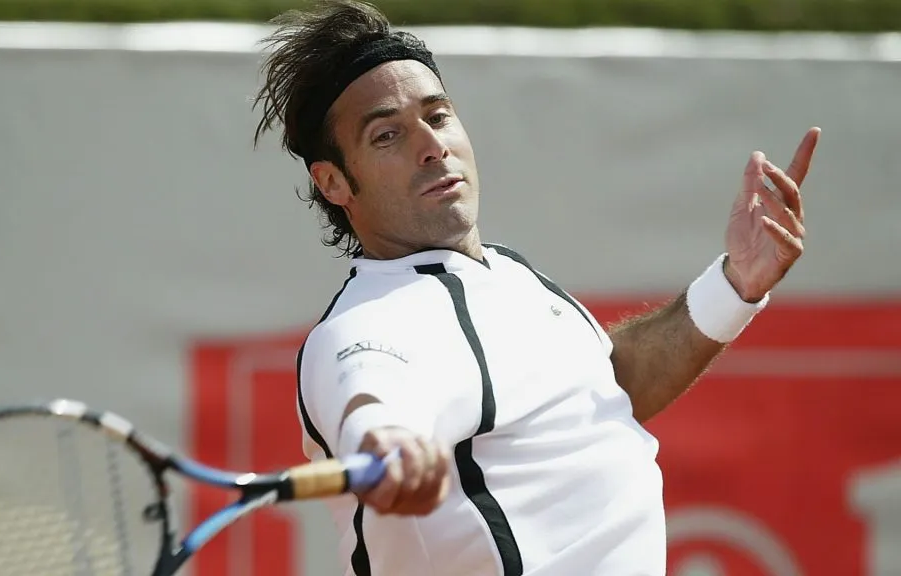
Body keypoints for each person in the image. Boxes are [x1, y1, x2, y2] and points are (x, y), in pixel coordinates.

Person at [251, 1, 820, 574]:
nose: (431, 145)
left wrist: (735, 285)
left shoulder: (508, 273)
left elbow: (604, 391)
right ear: (332, 182)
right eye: (387, 135)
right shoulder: (365, 323)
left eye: (439, 115)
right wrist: (387, 440)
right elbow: (369, 389)